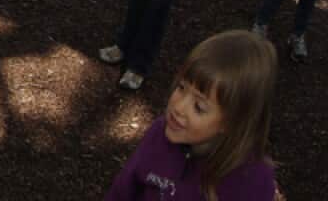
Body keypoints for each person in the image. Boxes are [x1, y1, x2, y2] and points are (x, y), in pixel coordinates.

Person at [104, 30, 277, 201]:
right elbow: (122, 190)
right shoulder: (158, 134)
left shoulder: (252, 181)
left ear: (232, 121)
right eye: (181, 88)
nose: (178, 107)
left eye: (199, 107)